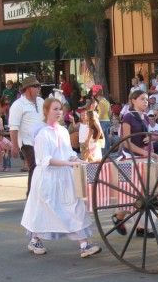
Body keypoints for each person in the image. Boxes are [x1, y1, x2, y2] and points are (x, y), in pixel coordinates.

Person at [21, 97, 101, 258]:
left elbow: (68, 152)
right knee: (45, 210)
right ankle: (35, 238)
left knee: (75, 207)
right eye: (55, 109)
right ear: (46, 112)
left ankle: (84, 244)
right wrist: (67, 163)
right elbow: (45, 160)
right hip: (48, 178)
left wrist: (76, 159)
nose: (58, 112)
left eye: (60, 109)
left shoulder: (63, 131)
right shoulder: (42, 134)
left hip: (65, 176)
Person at [113, 90, 155, 237]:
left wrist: (149, 140)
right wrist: (145, 153)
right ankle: (119, 216)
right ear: (133, 101)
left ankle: (141, 227)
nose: (146, 102)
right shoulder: (128, 117)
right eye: (143, 99)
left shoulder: (144, 117)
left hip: (142, 157)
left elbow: (144, 137)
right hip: (130, 158)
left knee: (146, 194)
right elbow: (127, 143)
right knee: (134, 195)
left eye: (147, 99)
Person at [8, 76, 45, 195]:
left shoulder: (41, 101)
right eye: (35, 86)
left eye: (39, 86)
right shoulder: (18, 105)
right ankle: (31, 196)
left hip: (43, 140)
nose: (38, 88)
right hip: (27, 142)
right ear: (27, 88)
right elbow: (14, 127)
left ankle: (41, 194)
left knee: (45, 167)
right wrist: (14, 146)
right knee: (34, 166)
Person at [95, 88, 111, 155]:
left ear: (99, 96)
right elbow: (110, 112)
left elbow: (102, 112)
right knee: (106, 136)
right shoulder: (107, 102)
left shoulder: (101, 102)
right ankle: (108, 150)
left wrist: (98, 120)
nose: (97, 99)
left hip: (102, 120)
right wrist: (108, 118)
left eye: (97, 98)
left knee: (102, 137)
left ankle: (104, 152)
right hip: (107, 120)